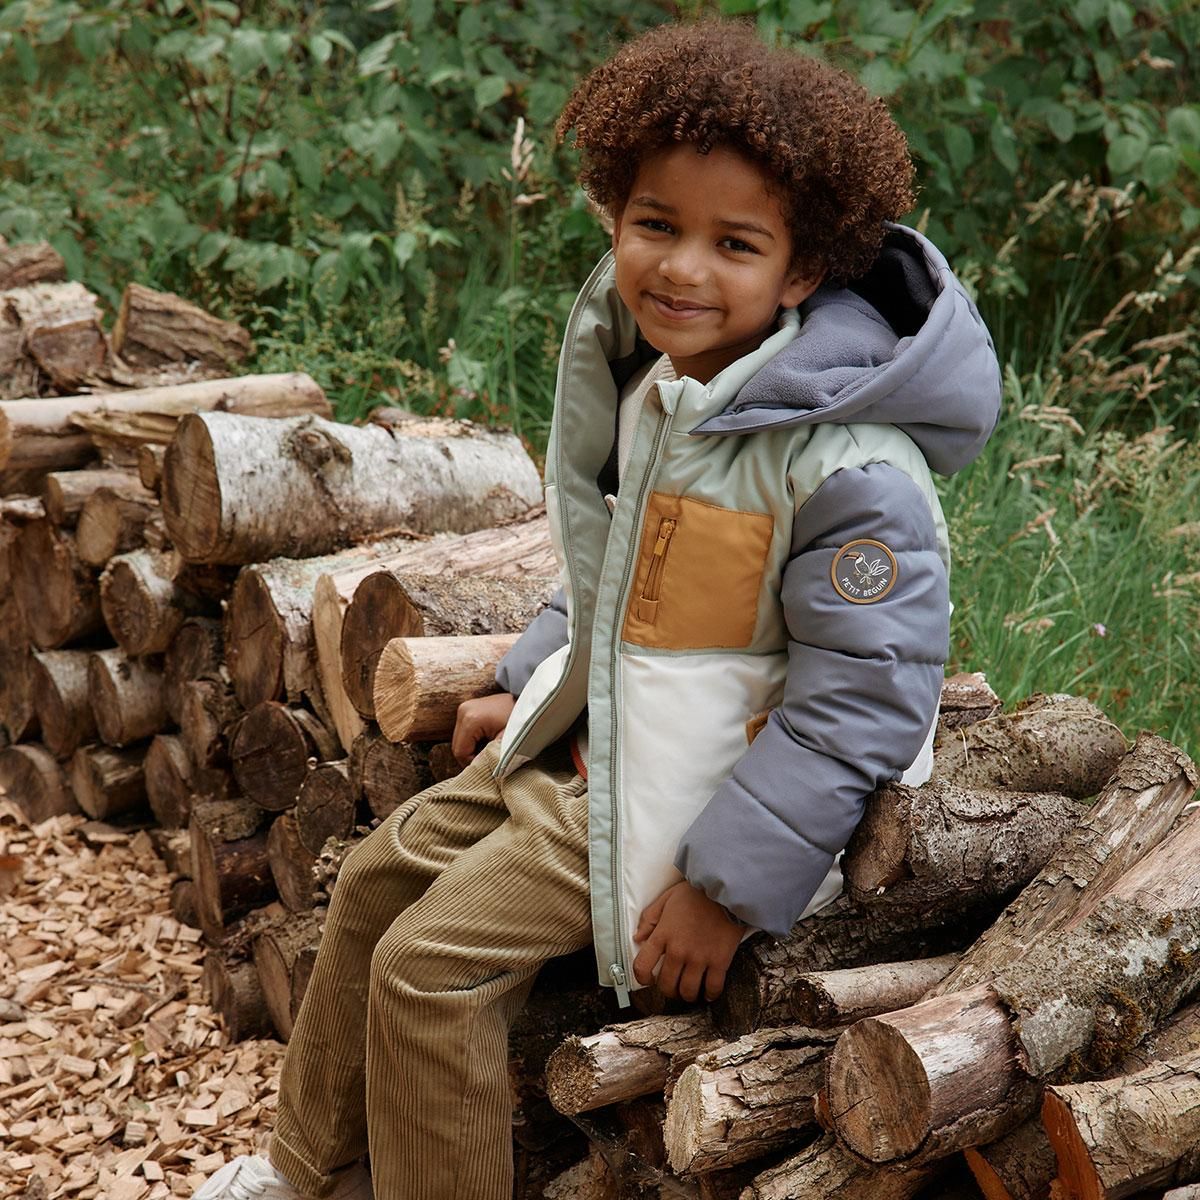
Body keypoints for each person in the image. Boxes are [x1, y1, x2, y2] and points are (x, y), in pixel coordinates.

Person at [194, 18, 1000, 1200]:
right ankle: (311, 1167)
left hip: (688, 799)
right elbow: (608, 574)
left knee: (429, 970)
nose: (682, 267)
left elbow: (865, 698)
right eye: (656, 226)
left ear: (805, 270)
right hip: (586, 748)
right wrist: (532, 673)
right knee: (371, 877)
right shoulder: (667, 390)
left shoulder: (844, 466)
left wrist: (727, 887)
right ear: (613, 219)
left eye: (735, 243)